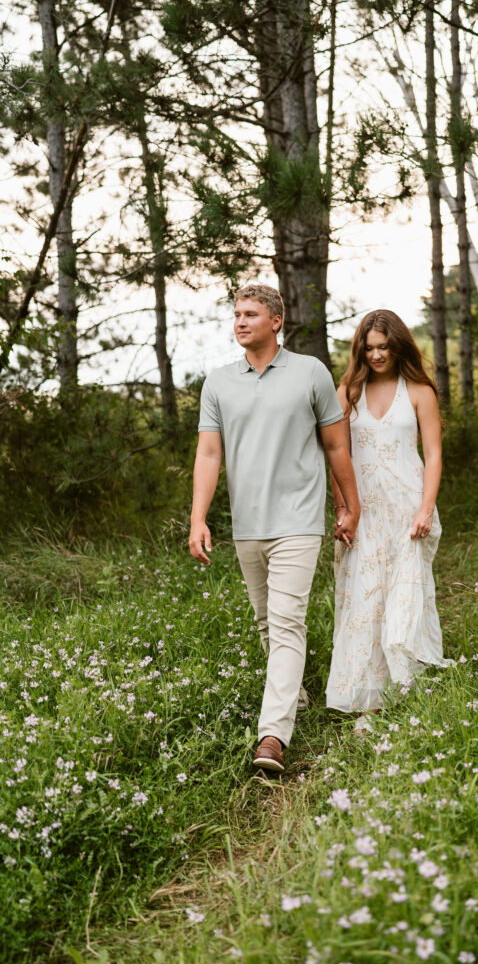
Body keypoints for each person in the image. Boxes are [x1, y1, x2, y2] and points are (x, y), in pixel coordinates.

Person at [189, 284, 360, 773]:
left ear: (276, 321)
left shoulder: (309, 372)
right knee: (269, 624)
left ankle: (272, 736)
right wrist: (198, 518)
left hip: (299, 522)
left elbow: (335, 447)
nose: (240, 322)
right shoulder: (219, 381)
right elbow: (208, 454)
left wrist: (351, 504)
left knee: (286, 623)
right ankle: (295, 696)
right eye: (236, 314)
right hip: (248, 524)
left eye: (250, 314)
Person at [326, 310, 445, 729]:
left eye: (384, 347)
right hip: (364, 513)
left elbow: (432, 454)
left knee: (404, 600)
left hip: (407, 509)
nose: (377, 354)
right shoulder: (348, 392)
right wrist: (342, 509)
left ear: (398, 346)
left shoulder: (418, 391)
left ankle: (409, 690)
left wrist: (425, 508)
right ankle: (370, 705)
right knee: (366, 602)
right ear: (361, 349)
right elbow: (335, 455)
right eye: (370, 347)